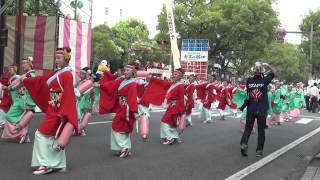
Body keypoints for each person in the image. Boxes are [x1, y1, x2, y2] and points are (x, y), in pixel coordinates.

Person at [22, 47, 78, 175]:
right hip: (54, 107)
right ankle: (58, 164)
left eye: (59, 58)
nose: (56, 60)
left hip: (59, 110)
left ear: (66, 58)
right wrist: (27, 81)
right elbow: (42, 80)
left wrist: (64, 113)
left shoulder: (67, 74)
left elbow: (68, 95)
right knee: (53, 137)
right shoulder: (58, 73)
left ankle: (46, 164)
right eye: (56, 58)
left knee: (41, 134)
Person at [97, 65, 139, 158]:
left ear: (132, 72)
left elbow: (132, 98)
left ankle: (124, 147)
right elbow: (112, 85)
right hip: (121, 107)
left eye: (128, 70)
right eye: (125, 70)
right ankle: (124, 148)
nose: (125, 72)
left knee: (117, 125)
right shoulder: (122, 80)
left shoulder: (132, 84)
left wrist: (134, 111)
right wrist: (100, 85)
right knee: (122, 128)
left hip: (126, 108)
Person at [240, 62, 276, 157]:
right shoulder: (265, 80)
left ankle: (244, 144)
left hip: (251, 107)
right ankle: (259, 150)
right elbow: (274, 72)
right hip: (261, 109)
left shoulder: (249, 81)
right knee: (261, 130)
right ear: (261, 72)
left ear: (253, 71)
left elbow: (248, 95)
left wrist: (244, 105)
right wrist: (268, 65)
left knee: (248, 129)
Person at [1, 59, 36, 144]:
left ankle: (21, 134)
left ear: (30, 64)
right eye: (22, 63)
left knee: (12, 116)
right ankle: (23, 135)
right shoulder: (27, 74)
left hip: (25, 101)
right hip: (23, 100)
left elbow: (21, 86)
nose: (23, 65)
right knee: (21, 119)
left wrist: (8, 88)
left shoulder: (29, 75)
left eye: (25, 63)